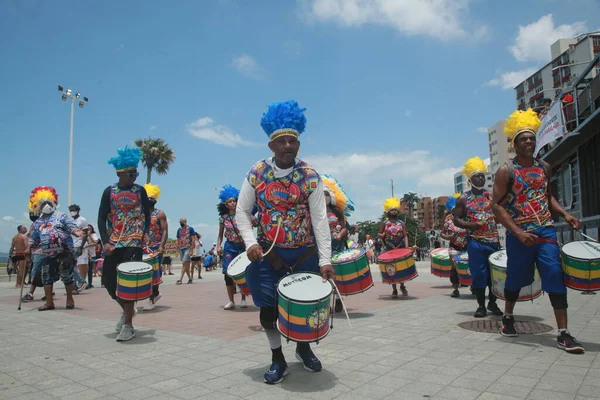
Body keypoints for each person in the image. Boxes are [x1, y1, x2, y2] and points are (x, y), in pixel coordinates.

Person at [236, 100, 334, 384]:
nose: (288, 145)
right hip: (268, 254)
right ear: (272, 146)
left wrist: (325, 260)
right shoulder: (256, 173)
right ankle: (277, 358)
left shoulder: (311, 176)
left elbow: (320, 220)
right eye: (282, 141)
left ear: (298, 145)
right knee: (268, 309)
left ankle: (303, 348)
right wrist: (250, 242)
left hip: (305, 254)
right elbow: (242, 212)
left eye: (293, 141)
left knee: (306, 308)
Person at [492, 109, 584, 353]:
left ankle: (563, 333)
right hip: (519, 235)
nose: (529, 142)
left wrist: (564, 213)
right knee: (516, 280)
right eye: (524, 139)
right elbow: (496, 207)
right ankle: (508, 316)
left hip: (545, 232)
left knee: (554, 274)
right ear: (515, 143)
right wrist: (518, 232)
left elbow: (547, 196)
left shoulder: (545, 167)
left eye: (532, 138)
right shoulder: (506, 171)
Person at [98, 146, 151, 342]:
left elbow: (147, 214)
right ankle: (127, 311)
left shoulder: (140, 191)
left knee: (128, 283)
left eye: (136, 172)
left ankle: (128, 325)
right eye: (131, 173)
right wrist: (105, 242)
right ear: (120, 173)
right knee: (110, 283)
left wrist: (144, 233)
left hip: (133, 241)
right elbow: (101, 219)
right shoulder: (109, 191)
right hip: (114, 243)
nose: (134, 176)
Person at [453, 157, 503, 318]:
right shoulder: (463, 199)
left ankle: (493, 302)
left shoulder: (491, 196)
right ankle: (481, 305)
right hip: (475, 242)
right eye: (477, 176)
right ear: (470, 180)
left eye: (482, 176)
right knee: (479, 274)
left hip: (493, 240)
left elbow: (500, 213)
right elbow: (456, 219)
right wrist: (470, 226)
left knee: (494, 274)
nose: (480, 179)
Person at [26, 186, 82, 310]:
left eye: (48, 203)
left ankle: (69, 299)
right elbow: (33, 237)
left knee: (66, 274)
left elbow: (71, 226)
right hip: (46, 253)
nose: (46, 205)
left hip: (64, 251)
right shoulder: (37, 222)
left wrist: (76, 232)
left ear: (53, 203)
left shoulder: (61, 216)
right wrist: (28, 248)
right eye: (43, 204)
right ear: (38, 207)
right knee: (46, 276)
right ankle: (49, 303)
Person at [322, 174, 355, 312]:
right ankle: (325, 303)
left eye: (326, 195)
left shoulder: (337, 212)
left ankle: (337, 299)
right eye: (321, 195)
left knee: (335, 273)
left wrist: (340, 234)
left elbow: (344, 227)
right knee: (323, 275)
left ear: (331, 196)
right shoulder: (315, 212)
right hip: (322, 247)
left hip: (337, 246)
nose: (324, 198)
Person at [216, 184, 248, 310]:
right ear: (226, 204)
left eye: (234, 201)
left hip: (242, 246)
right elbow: (220, 235)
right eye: (230, 202)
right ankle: (231, 301)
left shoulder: (243, 215)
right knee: (227, 274)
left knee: (243, 272)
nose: (233, 203)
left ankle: (244, 298)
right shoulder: (223, 219)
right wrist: (218, 246)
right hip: (230, 246)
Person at [142, 183, 168, 311]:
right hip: (143, 248)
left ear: (155, 200)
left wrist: (162, 246)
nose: (149, 200)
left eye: (151, 198)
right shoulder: (141, 214)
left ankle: (152, 298)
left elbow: (165, 231)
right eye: (147, 198)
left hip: (156, 248)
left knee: (154, 274)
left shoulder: (160, 214)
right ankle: (155, 294)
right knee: (145, 274)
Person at [378, 197, 409, 297]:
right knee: (391, 269)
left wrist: (407, 248)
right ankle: (394, 289)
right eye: (392, 210)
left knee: (401, 267)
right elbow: (379, 234)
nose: (394, 211)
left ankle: (403, 285)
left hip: (401, 247)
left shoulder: (401, 223)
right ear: (388, 211)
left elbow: (405, 235)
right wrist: (381, 236)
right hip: (389, 248)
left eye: (395, 209)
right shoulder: (385, 223)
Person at [440, 194, 467, 298]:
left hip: (466, 246)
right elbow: (441, 233)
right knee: (454, 268)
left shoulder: (467, 221)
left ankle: (473, 285)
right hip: (454, 247)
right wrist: (447, 237)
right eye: (455, 209)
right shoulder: (448, 223)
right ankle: (455, 288)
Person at [69, 204, 90, 291]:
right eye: (70, 210)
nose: (72, 212)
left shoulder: (82, 220)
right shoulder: (70, 220)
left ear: (77, 211)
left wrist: (81, 246)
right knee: (72, 266)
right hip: (71, 245)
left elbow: (85, 234)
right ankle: (76, 284)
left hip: (78, 244)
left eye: (73, 210)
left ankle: (80, 282)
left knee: (73, 265)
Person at [176, 218, 195, 285]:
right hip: (181, 248)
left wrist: (192, 250)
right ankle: (190, 279)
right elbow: (178, 239)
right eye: (180, 222)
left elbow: (193, 239)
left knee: (184, 263)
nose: (181, 223)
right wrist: (177, 248)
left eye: (182, 222)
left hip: (188, 248)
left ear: (185, 222)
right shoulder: (179, 230)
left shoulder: (190, 229)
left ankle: (180, 279)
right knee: (185, 265)